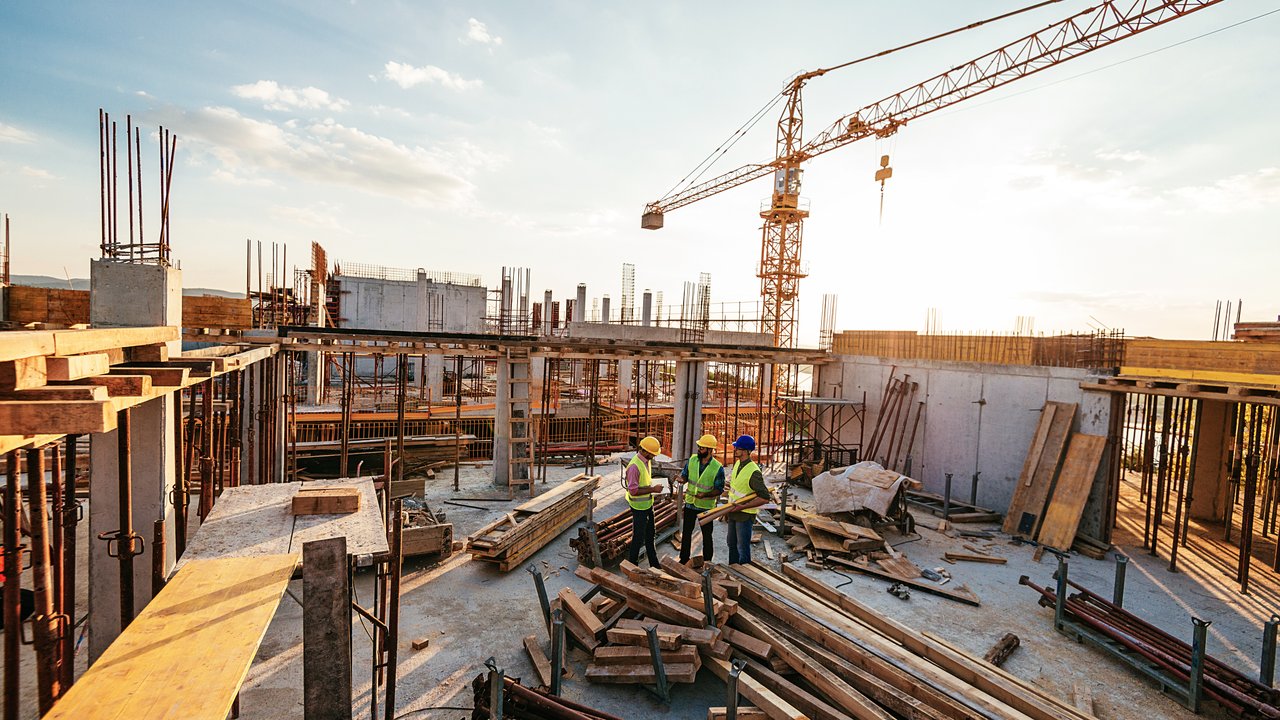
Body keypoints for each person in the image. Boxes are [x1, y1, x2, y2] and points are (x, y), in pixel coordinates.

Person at [677, 434, 724, 565]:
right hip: (691, 504)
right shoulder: (692, 460)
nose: (698, 449)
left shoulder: (717, 467)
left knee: (707, 535)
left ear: (710, 450)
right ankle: (684, 559)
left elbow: (719, 489)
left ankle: (708, 561)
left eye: (702, 448)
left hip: (706, 507)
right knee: (686, 533)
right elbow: (685, 475)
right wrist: (682, 479)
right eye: (699, 446)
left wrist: (706, 494)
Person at [725, 435, 770, 565]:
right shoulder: (738, 463)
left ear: (745, 451)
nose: (734, 450)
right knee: (731, 543)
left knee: (742, 547)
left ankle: (744, 574)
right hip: (733, 510)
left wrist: (742, 507)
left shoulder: (754, 471)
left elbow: (765, 497)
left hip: (744, 515)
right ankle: (733, 570)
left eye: (737, 448)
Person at [625, 435, 665, 567]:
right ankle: (632, 565)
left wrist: (654, 489)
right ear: (646, 451)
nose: (654, 457)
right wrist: (653, 489)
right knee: (638, 537)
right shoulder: (634, 467)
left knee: (650, 535)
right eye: (653, 454)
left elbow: (645, 482)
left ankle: (654, 564)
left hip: (647, 504)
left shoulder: (645, 461)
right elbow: (633, 491)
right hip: (638, 507)